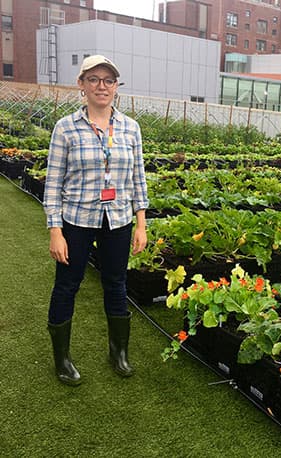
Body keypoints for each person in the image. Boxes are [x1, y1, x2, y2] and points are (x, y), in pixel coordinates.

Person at [43, 55, 148, 386]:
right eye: (94, 79)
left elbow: (137, 178)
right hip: (76, 219)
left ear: (116, 87)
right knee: (67, 285)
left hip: (117, 219)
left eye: (108, 80)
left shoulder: (131, 128)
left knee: (115, 284)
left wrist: (141, 222)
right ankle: (62, 359)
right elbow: (53, 183)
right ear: (82, 85)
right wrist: (55, 232)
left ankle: (118, 352)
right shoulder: (66, 128)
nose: (101, 86)